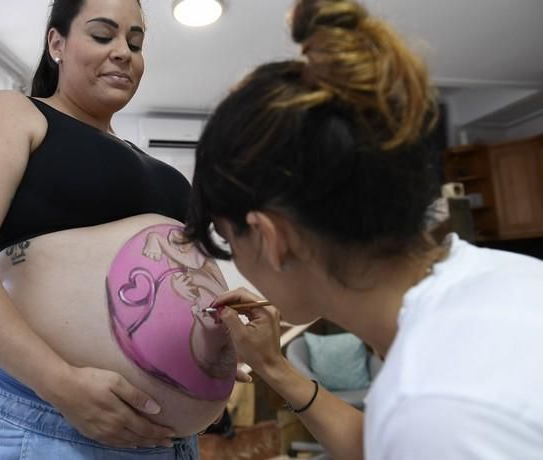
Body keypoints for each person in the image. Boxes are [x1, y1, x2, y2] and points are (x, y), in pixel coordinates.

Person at [183, 0, 543, 458]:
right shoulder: (500, 277)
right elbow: (376, 444)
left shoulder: (436, 409)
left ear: (271, 238)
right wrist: (274, 366)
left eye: (227, 240)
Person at [0, 0, 236, 458]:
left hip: (168, 443)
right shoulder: (15, 115)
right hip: (51, 422)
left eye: (135, 41)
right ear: (57, 43)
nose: (124, 52)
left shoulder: (154, 164)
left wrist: (211, 356)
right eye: (103, 35)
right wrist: (61, 385)